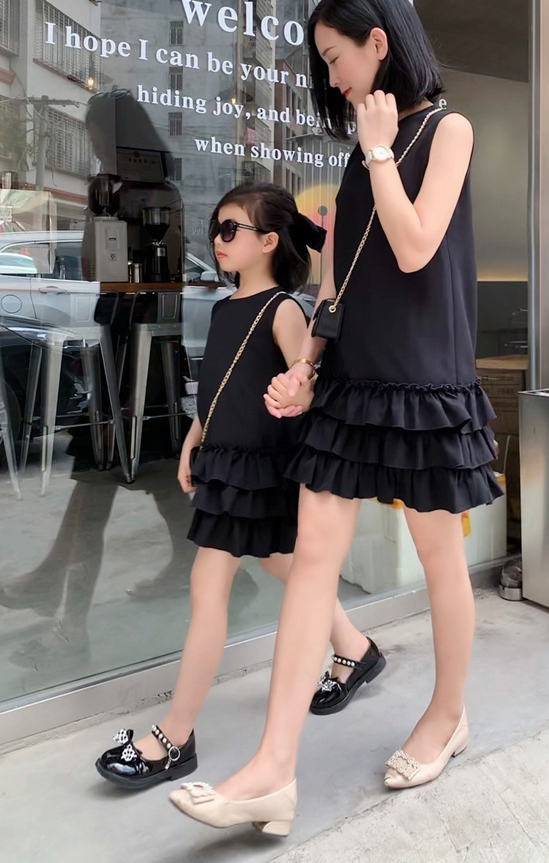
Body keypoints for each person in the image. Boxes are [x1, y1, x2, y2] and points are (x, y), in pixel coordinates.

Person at [169, 0, 501, 835]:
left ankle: (449, 713)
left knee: (437, 557)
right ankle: (273, 769)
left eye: (335, 57)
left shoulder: (445, 130)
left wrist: (384, 151)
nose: (333, 77)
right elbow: (336, 282)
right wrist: (308, 362)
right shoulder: (358, 153)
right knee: (313, 554)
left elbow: (419, 245)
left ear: (378, 43)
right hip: (353, 386)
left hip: (426, 384)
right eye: (323, 64)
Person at [95, 182, 382, 790]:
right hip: (227, 461)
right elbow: (221, 384)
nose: (218, 241)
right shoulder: (227, 307)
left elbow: (308, 385)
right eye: (216, 231)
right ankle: (355, 648)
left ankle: (175, 735)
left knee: (209, 585)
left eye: (231, 231)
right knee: (282, 566)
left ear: (269, 242)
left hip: (262, 469)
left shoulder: (283, 309)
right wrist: (194, 437)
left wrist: (299, 404)